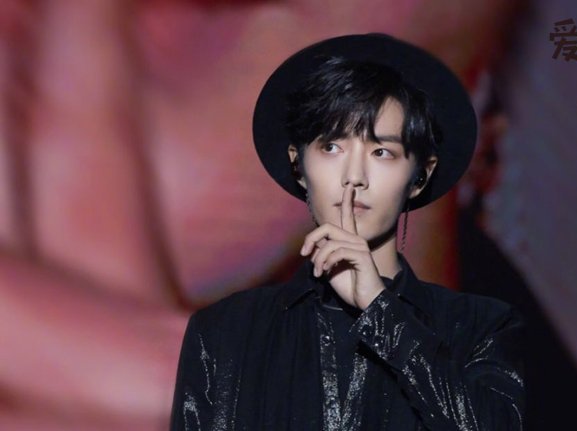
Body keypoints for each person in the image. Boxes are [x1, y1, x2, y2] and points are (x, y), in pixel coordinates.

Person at [170, 34, 524, 430]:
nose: (354, 176)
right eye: (332, 148)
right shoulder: (225, 332)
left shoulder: (478, 328)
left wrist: (380, 310)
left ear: (419, 178)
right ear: (298, 165)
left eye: (381, 152)